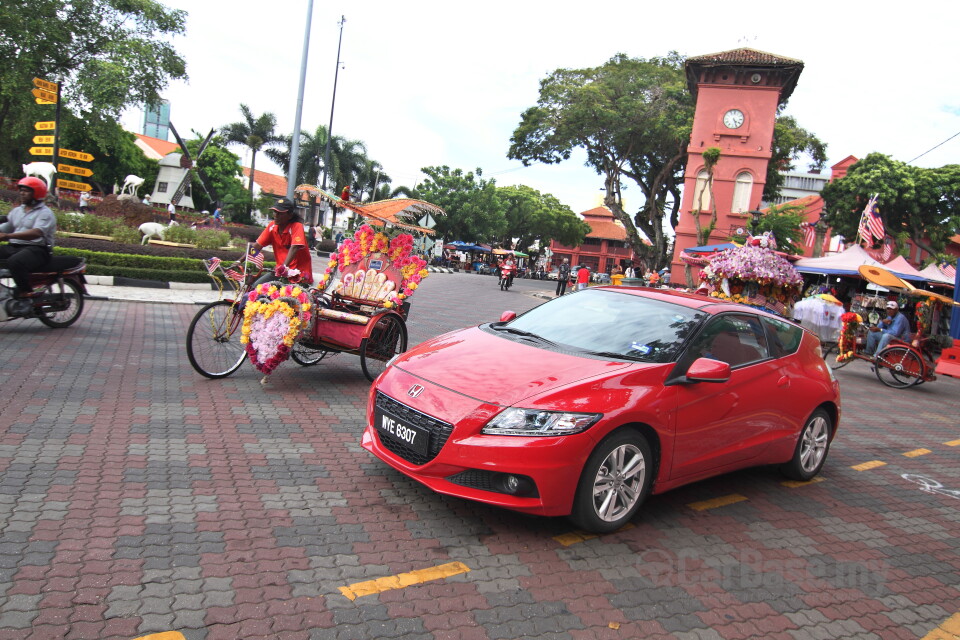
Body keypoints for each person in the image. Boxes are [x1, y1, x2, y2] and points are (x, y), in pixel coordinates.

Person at [0, 178, 56, 299]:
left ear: (36, 193)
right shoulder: (17, 211)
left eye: (26, 191)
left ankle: (26, 292)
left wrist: (8, 236)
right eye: (21, 190)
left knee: (15, 261)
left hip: (37, 249)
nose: (22, 193)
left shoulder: (45, 213)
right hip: (15, 247)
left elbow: (37, 232)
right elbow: (6, 228)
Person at [249, 197, 313, 289]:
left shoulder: (296, 226)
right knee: (255, 288)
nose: (276, 215)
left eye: (280, 213)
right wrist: (240, 261)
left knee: (284, 299)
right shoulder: (272, 226)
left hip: (298, 275)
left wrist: (283, 267)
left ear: (290, 215)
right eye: (275, 212)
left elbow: (294, 247)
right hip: (279, 272)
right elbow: (257, 247)